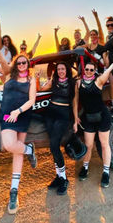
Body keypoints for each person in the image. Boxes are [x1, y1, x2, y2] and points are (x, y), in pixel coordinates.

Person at [75, 48, 113, 187]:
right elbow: (75, 101)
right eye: (86, 69)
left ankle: (106, 173)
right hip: (88, 118)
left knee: (104, 144)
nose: (88, 72)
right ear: (84, 70)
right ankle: (85, 168)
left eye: (91, 70)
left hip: (102, 116)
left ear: (94, 72)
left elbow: (109, 68)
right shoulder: (79, 83)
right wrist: (76, 117)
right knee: (88, 145)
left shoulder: (99, 81)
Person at [0, 54, 37, 214]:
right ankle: (29, 150)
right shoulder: (9, 76)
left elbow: (32, 100)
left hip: (21, 115)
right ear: (15, 64)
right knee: (10, 145)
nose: (21, 64)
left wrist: (18, 111)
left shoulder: (31, 80)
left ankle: (14, 192)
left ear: (28, 64)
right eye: (19, 62)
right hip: (7, 115)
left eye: (24, 62)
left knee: (16, 152)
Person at [36, 62, 78, 195]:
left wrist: (76, 119)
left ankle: (64, 179)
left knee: (54, 146)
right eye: (58, 69)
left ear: (67, 70)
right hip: (50, 113)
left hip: (63, 114)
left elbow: (75, 102)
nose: (60, 71)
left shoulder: (72, 83)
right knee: (52, 146)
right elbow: (40, 90)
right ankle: (59, 176)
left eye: (63, 69)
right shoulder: (53, 81)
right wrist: (37, 79)